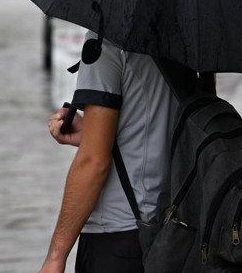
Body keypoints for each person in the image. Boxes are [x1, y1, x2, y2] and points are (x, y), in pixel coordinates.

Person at [38, 32, 180, 273]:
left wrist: (56, 257)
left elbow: (94, 163)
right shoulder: (184, 41)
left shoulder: (105, 41)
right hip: (174, 230)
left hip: (116, 238)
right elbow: (162, 131)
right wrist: (91, 134)